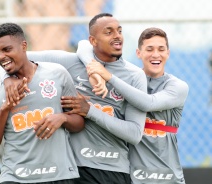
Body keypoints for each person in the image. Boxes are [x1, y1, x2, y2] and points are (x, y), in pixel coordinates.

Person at [0, 13, 147, 184]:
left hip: (111, 170)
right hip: (71, 169)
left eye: (119, 31)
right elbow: (12, 59)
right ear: (93, 41)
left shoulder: (135, 76)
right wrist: (7, 79)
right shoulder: (69, 62)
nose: (117, 36)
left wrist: (89, 111)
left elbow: (135, 134)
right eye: (109, 32)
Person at [78, 27, 189, 184]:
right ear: (138, 53)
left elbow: (147, 103)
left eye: (161, 49)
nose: (156, 54)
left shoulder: (177, 87)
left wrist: (108, 76)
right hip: (131, 177)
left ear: (168, 53)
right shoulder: (129, 79)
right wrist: (94, 68)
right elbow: (84, 45)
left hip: (167, 178)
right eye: (149, 49)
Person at [0, 23, 85, 184]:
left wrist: (62, 118)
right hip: (15, 178)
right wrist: (4, 109)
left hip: (59, 176)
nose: (1, 57)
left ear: (24, 46)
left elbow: (79, 123)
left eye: (7, 50)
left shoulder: (57, 74)